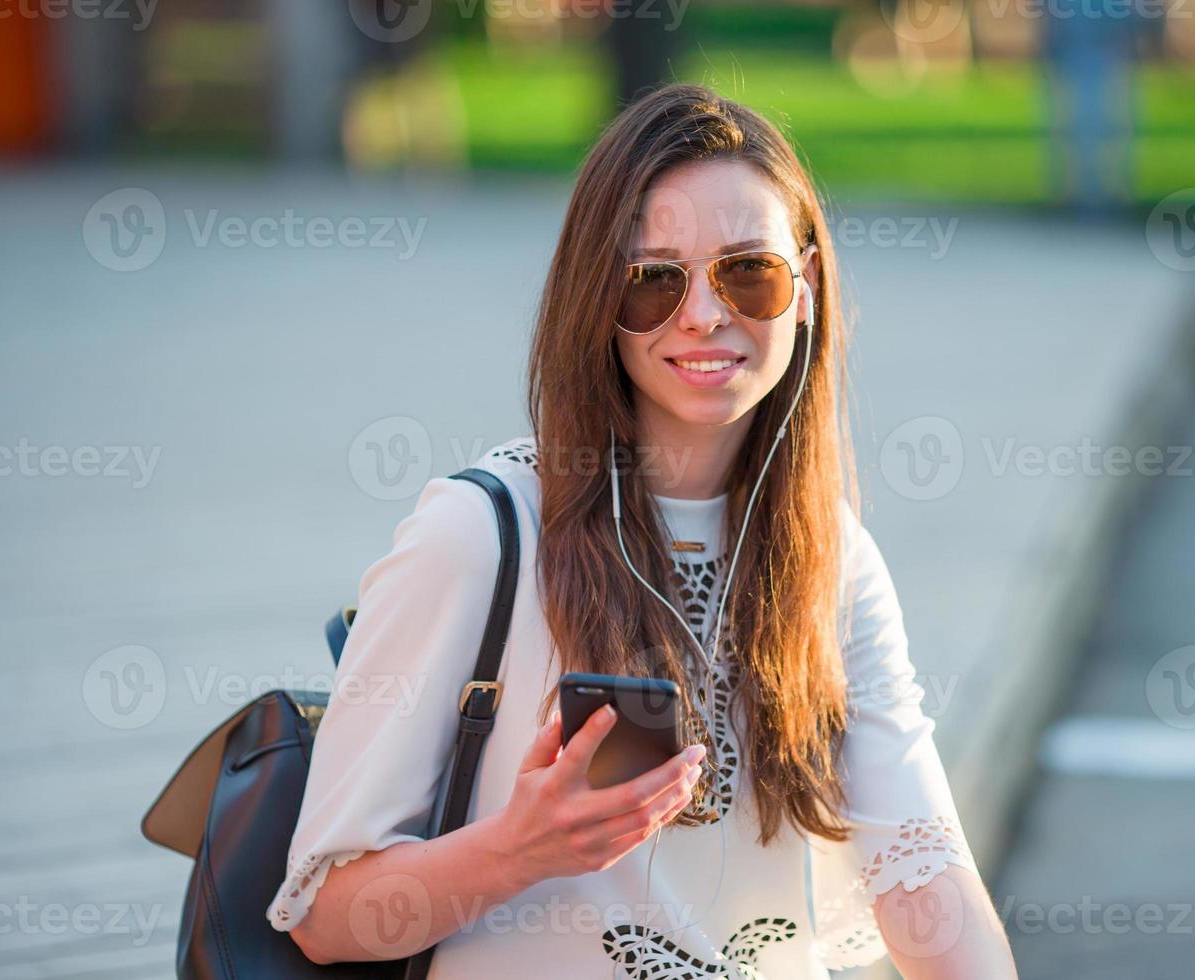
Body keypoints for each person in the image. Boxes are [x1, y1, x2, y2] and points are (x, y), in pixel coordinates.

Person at [266, 82, 1018, 979]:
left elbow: (923, 868)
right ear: (598, 304)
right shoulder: (479, 533)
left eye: (749, 271)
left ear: (806, 286)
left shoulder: (832, 557)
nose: (704, 314)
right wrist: (520, 849)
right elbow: (324, 915)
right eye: (653, 281)